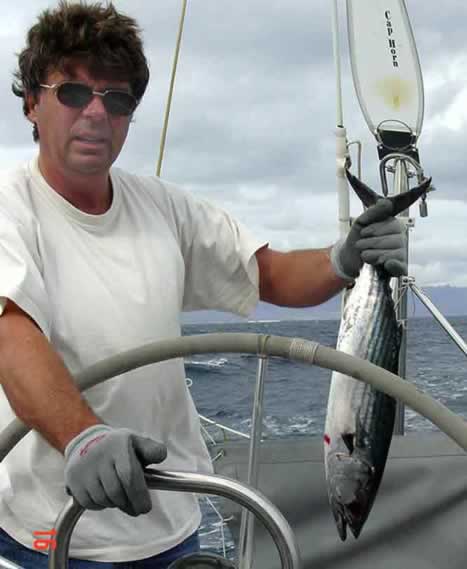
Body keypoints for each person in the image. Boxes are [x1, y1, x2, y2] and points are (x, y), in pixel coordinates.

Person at [0, 2, 407, 568]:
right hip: (52, 534)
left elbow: (270, 274)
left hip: (170, 523)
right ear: (32, 101)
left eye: (116, 100)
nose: (95, 113)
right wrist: (82, 437)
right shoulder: (10, 209)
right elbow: (11, 335)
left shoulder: (163, 208)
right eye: (73, 92)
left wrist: (345, 257)